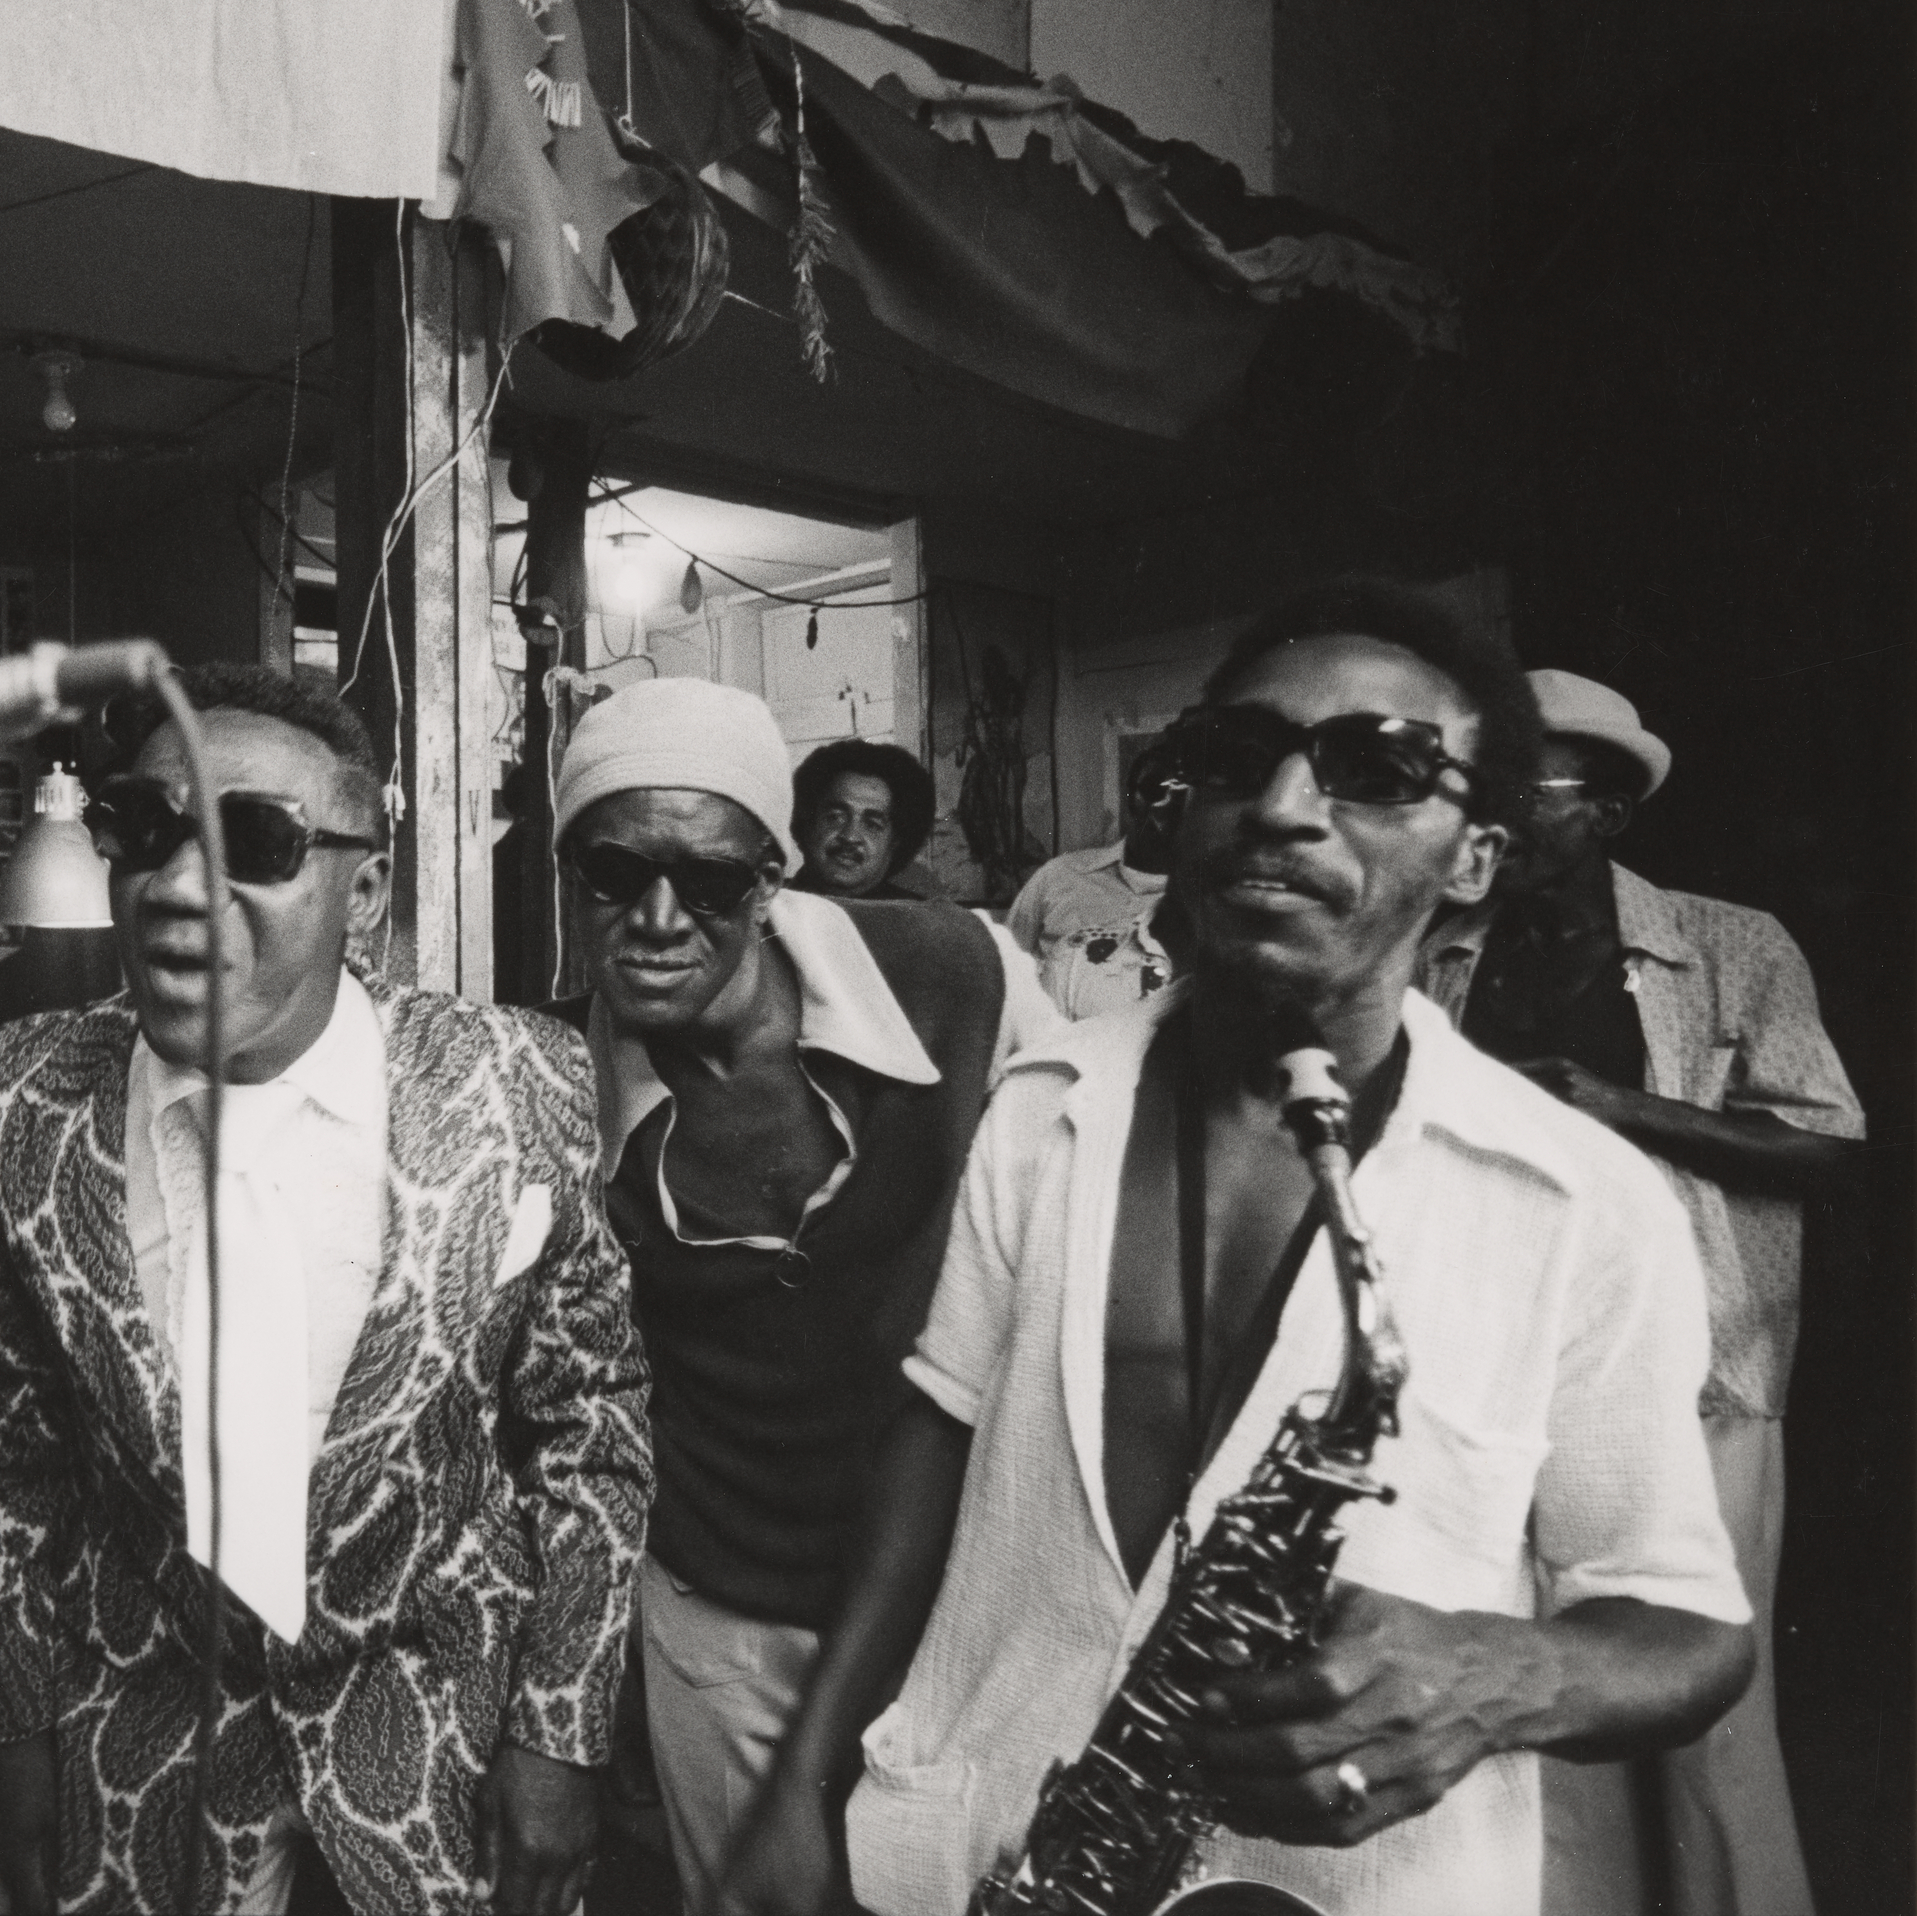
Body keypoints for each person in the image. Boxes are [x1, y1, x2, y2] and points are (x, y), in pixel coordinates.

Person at [718, 582, 1755, 1916]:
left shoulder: (1584, 1201)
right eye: (1237, 755)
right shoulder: (1043, 1108)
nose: (1283, 806)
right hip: (976, 1842)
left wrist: (1503, 1675)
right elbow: (937, 1432)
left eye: (1378, 771)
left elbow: (1691, 1624)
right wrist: (803, 1781)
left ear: (1477, 859)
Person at [0, 664, 649, 1916]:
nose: (174, 885)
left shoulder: (512, 1084)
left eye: (254, 843)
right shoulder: (15, 1099)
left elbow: (590, 1430)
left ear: (362, 890)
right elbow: (12, 1457)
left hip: (441, 1757)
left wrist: (560, 1732)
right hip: (139, 1760)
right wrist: (12, 1723)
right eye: (143, 830)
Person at [545, 677, 1056, 1913]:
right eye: (617, 874)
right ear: (570, 876)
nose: (660, 919)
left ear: (773, 880)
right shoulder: (555, 1097)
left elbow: (1082, 1187)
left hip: (963, 1594)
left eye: (710, 880)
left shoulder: (954, 971)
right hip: (722, 1614)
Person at [1421, 670, 1858, 1916]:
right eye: (1474, 784)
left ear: (1607, 810)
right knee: (1547, 1695)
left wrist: (1616, 1106)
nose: (1487, 814)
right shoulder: (1442, 946)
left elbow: (1832, 1146)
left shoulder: (1728, 943)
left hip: (1700, 1374)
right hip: (1498, 1368)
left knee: (1707, 1705)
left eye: (1524, 786)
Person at [1005, 743, 1181, 1020]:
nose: (1166, 806)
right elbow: (1006, 971)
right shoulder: (1058, 876)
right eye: (1155, 790)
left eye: (1182, 794)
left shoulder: (1211, 898)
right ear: (1129, 799)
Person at [786, 738, 943, 902]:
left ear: (896, 840)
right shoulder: (767, 908)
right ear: (808, 822)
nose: (850, 836)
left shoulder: (919, 919)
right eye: (835, 817)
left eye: (872, 825)